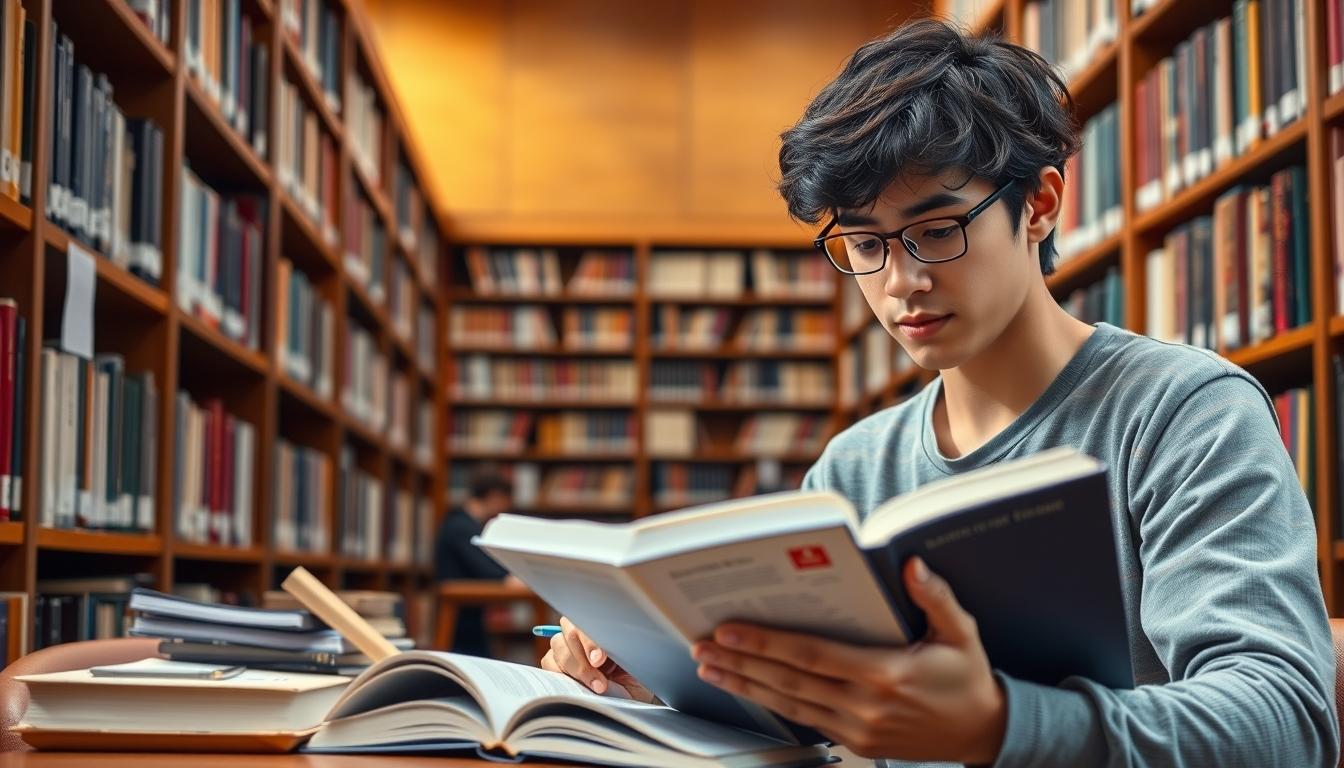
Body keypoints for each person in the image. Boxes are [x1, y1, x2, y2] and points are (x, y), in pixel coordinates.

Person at [539, 17, 1340, 767]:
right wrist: (658, 677)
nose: (901, 282)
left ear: (1039, 204)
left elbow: (1287, 721)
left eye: (935, 231)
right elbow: (804, 718)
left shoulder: (1184, 413)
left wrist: (1001, 725)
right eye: (865, 244)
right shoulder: (854, 469)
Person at [435, 466, 523, 656]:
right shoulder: (461, 527)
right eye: (505, 501)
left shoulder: (461, 523)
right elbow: (489, 570)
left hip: (470, 617)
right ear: (494, 496)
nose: (506, 508)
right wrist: (513, 578)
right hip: (460, 623)